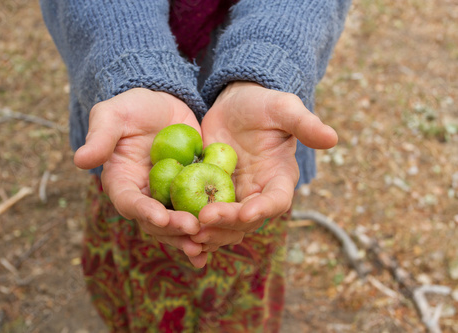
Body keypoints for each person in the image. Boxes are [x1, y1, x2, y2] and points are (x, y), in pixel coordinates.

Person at [40, 0, 351, 331]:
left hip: (254, 152)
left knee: (241, 265)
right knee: (136, 244)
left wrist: (267, 62)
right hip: (135, 144)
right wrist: (133, 69)